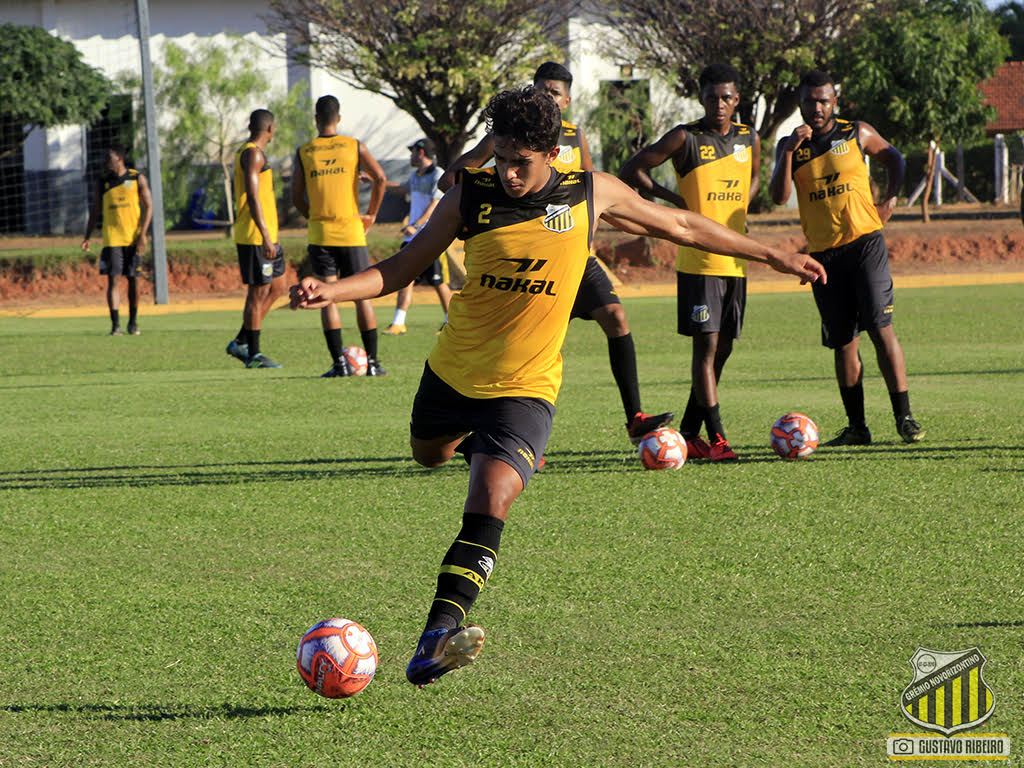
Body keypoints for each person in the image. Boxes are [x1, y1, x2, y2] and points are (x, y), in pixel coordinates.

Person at [290, 86, 825, 687]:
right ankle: (471, 447)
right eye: (501, 157)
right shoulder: (473, 195)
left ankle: (437, 634)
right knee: (427, 454)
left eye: (523, 161)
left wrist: (770, 254)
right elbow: (401, 268)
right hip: (453, 373)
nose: (511, 172)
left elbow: (680, 223)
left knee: (491, 500)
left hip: (527, 385)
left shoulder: (588, 192)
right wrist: (329, 290)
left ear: (552, 152)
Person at [440, 62, 673, 447]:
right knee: (536, 344)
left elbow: (591, 191)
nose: (545, 98)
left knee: (616, 316)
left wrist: (584, 239)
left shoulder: (575, 136)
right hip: (526, 256)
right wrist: (480, 197)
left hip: (574, 256)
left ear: (566, 100)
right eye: (539, 90)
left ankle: (635, 417)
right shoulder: (512, 139)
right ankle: (512, 433)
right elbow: (452, 177)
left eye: (553, 92)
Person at [769, 70, 924, 445]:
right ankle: (857, 427)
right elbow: (777, 196)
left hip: (865, 244)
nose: (817, 108)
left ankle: (904, 417)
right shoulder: (790, 145)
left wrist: (890, 198)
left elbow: (894, 157)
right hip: (823, 256)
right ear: (800, 104)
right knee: (843, 342)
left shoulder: (856, 132)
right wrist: (788, 150)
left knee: (879, 328)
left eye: (824, 100)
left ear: (834, 101)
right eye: (809, 101)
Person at [620, 63, 759, 462]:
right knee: (707, 346)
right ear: (701, 97)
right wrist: (674, 200)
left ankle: (689, 433)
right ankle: (718, 439)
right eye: (712, 96)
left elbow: (752, 177)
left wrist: (742, 203)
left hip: (737, 258)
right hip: (698, 258)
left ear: (737, 100)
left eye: (727, 97)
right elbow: (633, 169)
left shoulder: (749, 136)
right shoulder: (686, 137)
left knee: (725, 347)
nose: (720, 104)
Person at [291, 95, 389, 377]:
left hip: (321, 232)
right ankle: (372, 363)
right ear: (339, 117)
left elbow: (296, 195)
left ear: (316, 119)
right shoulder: (354, 146)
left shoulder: (305, 151)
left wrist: (312, 215)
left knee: (326, 296)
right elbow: (380, 178)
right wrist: (370, 214)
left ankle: (339, 364)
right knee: (363, 297)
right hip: (351, 230)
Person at [225, 109, 286, 369]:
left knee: (278, 288)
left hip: (267, 234)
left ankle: (241, 339)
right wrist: (265, 236)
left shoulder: (255, 153)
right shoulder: (252, 154)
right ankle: (254, 354)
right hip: (255, 235)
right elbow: (252, 196)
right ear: (270, 129)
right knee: (257, 291)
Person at [382, 137, 452, 335]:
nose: (410, 155)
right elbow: (400, 189)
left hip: (432, 237)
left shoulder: (438, 175)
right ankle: (398, 322)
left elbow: (435, 204)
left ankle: (450, 323)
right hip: (411, 240)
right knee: (405, 279)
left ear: (420, 152)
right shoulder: (416, 175)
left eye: (412, 152)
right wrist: (376, 181)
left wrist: (416, 225)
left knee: (439, 283)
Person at [82, 144, 153, 336]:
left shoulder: (137, 178)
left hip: (133, 239)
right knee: (113, 280)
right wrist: (87, 236)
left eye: (108, 159)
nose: (105, 163)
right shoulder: (102, 182)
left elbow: (149, 206)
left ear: (119, 159)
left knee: (134, 281)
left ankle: (133, 322)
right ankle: (115, 326)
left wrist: (143, 234)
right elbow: (95, 210)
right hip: (112, 239)